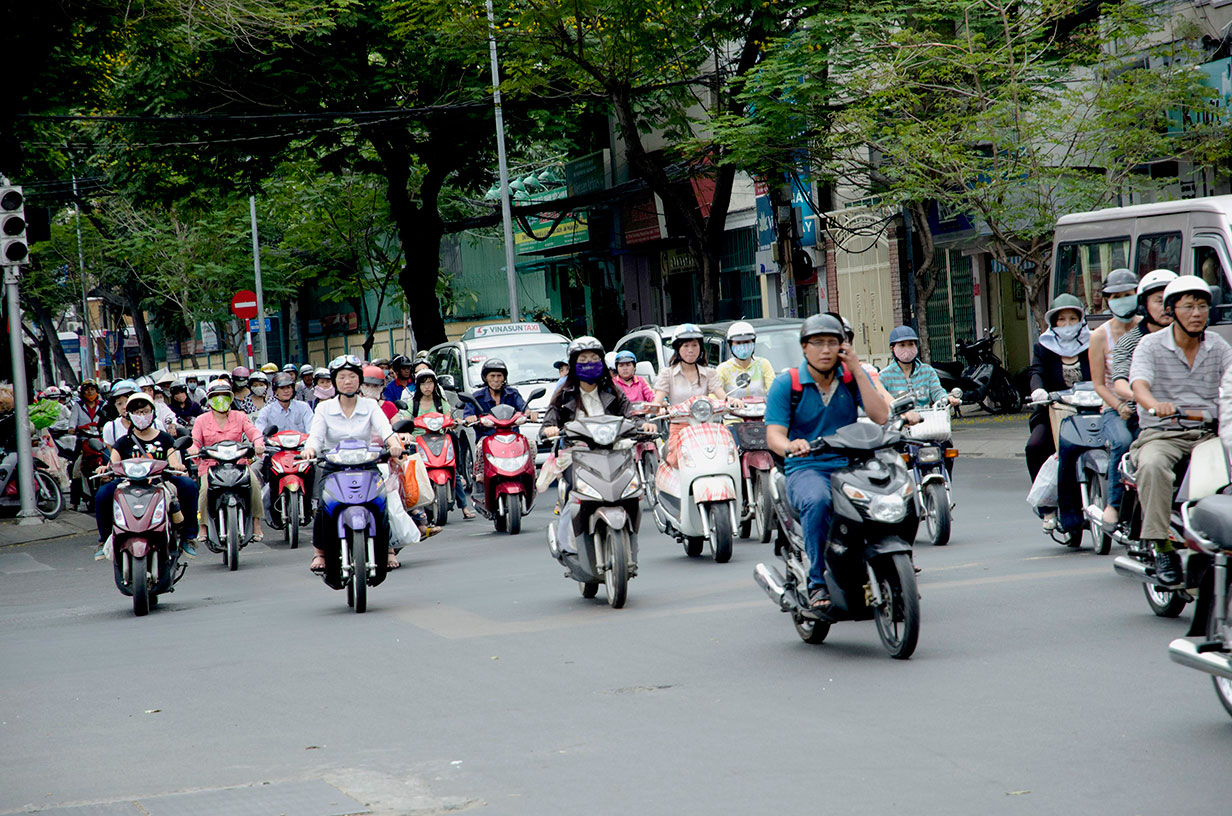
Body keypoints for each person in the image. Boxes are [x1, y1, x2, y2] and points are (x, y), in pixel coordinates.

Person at [765, 314, 890, 610]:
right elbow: (774, 436)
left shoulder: (849, 378)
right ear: (804, 347)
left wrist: (857, 369)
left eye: (832, 343)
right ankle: (817, 582)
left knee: (885, 499)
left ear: (842, 347)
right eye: (817, 343)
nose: (825, 350)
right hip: (807, 467)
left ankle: (889, 567)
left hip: (851, 465)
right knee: (818, 501)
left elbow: (881, 416)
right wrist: (791, 445)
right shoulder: (787, 384)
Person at [1129, 275, 1232, 585]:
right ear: (1171, 310)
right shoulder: (1150, 345)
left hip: (1209, 434)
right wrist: (1154, 405)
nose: (1196, 313)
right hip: (1163, 434)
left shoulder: (1218, 346)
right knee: (1152, 464)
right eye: (1188, 306)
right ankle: (1161, 546)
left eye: (1202, 306)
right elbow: (1139, 386)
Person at [540, 337, 657, 554]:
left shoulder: (613, 390)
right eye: (583, 359)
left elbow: (630, 415)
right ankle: (568, 544)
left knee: (631, 491)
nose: (589, 363)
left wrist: (643, 425)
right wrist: (550, 429)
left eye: (594, 358)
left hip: (614, 452)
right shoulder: (564, 394)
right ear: (573, 364)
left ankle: (630, 535)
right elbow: (549, 420)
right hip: (577, 455)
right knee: (573, 492)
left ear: (602, 362)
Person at [301, 355, 406, 577]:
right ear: (334, 381)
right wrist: (310, 450)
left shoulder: (370, 405)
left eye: (352, 376)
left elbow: (386, 431)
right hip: (334, 467)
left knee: (382, 503)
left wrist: (395, 444)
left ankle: (387, 549)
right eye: (342, 377)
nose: (347, 381)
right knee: (324, 506)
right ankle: (320, 552)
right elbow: (316, 437)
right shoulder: (324, 408)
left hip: (366, 465)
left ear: (359, 380)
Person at [92, 393, 199, 559]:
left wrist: (177, 466)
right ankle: (104, 539)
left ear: (153, 412)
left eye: (145, 411)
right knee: (102, 494)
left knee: (189, 485)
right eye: (137, 412)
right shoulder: (123, 441)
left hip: (160, 481)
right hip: (128, 484)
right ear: (129, 415)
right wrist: (105, 470)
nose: (141, 416)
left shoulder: (165, 438)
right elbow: (113, 464)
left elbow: (173, 460)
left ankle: (188, 537)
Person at [1025, 294, 1092, 530]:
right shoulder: (1043, 347)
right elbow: (1036, 372)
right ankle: (1047, 506)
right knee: (1035, 446)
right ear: (1053, 323)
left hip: (1090, 410)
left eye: (1072, 319)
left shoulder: (1094, 342)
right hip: (1053, 411)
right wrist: (1038, 391)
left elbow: (1104, 370)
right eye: (1061, 319)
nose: (1067, 324)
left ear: (1081, 320)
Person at [1089, 269, 1142, 526]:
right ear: (1107, 300)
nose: (1123, 300)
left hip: (1148, 406)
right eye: (1116, 296)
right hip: (1115, 408)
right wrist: (1119, 405)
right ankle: (1114, 503)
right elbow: (1099, 384)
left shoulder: (1148, 328)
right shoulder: (1100, 336)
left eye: (1127, 294)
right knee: (1122, 442)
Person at [189, 379, 265, 543]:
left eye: (225, 395)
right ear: (209, 398)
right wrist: (194, 449)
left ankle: (256, 522)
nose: (221, 399)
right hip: (211, 466)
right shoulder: (201, 420)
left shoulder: (240, 416)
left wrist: (258, 444)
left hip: (239, 464)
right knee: (204, 491)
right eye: (217, 395)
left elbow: (254, 432)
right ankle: (203, 525)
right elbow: (195, 441)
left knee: (254, 484)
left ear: (231, 398)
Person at [651, 324, 730, 466]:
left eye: (695, 345)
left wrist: (733, 401)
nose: (691, 350)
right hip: (679, 428)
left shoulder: (709, 373)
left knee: (723, 457)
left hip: (706, 428)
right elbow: (657, 403)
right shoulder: (667, 374)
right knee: (680, 461)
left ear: (700, 347)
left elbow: (722, 396)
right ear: (677, 349)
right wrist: (660, 409)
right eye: (685, 346)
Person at [404, 367, 475, 521]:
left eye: (430, 383)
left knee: (453, 470)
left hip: (440, 440)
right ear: (418, 386)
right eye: (423, 383)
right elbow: (405, 423)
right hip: (418, 442)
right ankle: (414, 509)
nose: (427, 387)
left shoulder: (441, 403)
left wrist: (454, 423)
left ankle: (464, 506)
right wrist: (406, 433)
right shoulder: (412, 404)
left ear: (435, 385)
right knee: (411, 473)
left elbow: (449, 420)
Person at [462, 358, 538, 450]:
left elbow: (524, 408)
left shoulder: (513, 394)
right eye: (492, 376)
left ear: (504, 378)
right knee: (480, 448)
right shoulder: (477, 397)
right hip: (487, 439)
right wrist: (469, 418)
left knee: (531, 444)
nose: (496, 379)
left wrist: (530, 413)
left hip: (513, 438)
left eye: (499, 376)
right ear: (485, 378)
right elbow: (467, 415)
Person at [716, 321, 776, 399]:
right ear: (731, 344)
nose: (743, 346)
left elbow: (773, 390)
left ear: (753, 342)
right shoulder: (723, 369)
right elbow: (715, 394)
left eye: (747, 342)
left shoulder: (763, 364)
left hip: (761, 406)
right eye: (738, 343)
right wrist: (729, 400)